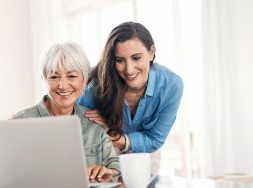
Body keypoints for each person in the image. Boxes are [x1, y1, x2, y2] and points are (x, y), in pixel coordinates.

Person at [11, 42, 120, 182]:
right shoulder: (20, 122)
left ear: (85, 80)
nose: (62, 85)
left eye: (71, 76)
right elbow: (11, 177)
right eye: (54, 77)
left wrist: (106, 172)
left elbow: (116, 168)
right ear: (44, 79)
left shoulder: (94, 123)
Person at [77, 22, 183, 154]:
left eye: (136, 58)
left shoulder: (171, 85)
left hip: (145, 154)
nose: (129, 69)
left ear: (151, 52)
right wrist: (95, 127)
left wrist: (115, 135)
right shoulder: (96, 86)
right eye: (120, 60)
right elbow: (76, 131)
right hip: (105, 151)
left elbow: (155, 139)